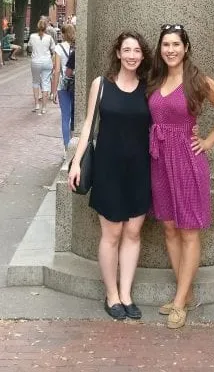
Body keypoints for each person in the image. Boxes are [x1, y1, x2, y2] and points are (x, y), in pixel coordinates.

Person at [148, 23, 214, 329]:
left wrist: (208, 141)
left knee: (188, 230)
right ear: (160, 49)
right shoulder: (156, 78)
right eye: (165, 45)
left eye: (176, 44)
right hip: (159, 160)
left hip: (187, 160)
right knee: (170, 229)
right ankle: (184, 296)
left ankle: (179, 301)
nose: (170, 50)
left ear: (186, 47)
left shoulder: (197, 80)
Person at [67, 32, 153, 321]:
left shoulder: (149, 88)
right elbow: (89, 125)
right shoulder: (100, 85)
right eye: (126, 50)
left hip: (140, 168)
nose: (131, 55)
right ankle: (111, 294)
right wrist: (76, 162)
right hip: (108, 168)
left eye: (136, 51)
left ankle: (126, 293)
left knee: (133, 233)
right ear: (117, 53)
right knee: (112, 234)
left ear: (142, 56)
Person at [28, 17, 57, 114]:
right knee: (45, 83)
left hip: (35, 62)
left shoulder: (32, 36)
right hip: (46, 62)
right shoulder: (49, 38)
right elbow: (54, 51)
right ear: (46, 28)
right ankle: (44, 107)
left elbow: (30, 47)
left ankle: (36, 104)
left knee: (35, 82)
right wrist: (53, 62)